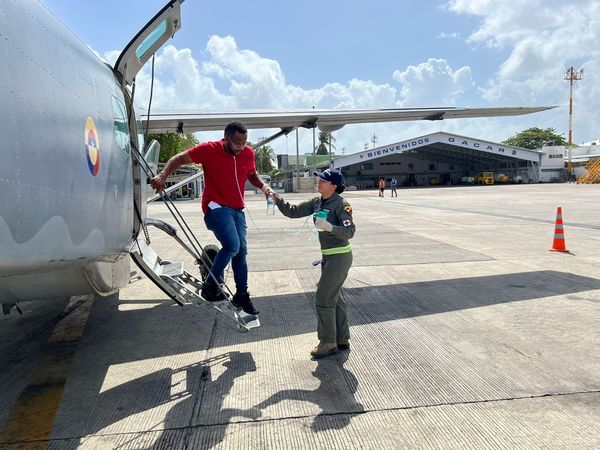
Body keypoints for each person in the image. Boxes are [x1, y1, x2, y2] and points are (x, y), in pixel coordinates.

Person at [150, 121, 272, 315]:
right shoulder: (208, 150)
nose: (241, 148)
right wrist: (163, 175)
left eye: (244, 143)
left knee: (241, 252)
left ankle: (241, 294)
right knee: (233, 246)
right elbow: (178, 158)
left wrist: (264, 187)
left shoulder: (248, 153)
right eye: (236, 143)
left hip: (237, 211)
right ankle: (210, 286)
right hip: (215, 207)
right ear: (226, 138)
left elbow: (252, 174)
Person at [272, 169, 355, 359]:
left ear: (333, 186)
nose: (319, 182)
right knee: (336, 298)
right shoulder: (317, 202)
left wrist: (330, 227)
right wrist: (277, 200)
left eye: (323, 180)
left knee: (324, 299)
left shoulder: (342, 205)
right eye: (319, 179)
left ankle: (328, 343)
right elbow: (293, 212)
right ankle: (341, 338)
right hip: (328, 257)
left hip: (340, 256)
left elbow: (350, 232)